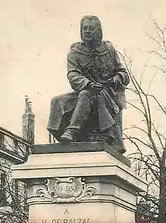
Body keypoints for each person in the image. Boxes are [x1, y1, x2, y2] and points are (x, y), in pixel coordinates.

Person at [48, 16, 130, 153]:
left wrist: (116, 78)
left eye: (91, 29)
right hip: (83, 91)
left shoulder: (109, 50)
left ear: (98, 31)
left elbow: (123, 73)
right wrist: (87, 83)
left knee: (86, 95)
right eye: (84, 28)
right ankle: (70, 133)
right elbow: (72, 74)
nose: (87, 31)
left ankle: (71, 131)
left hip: (106, 96)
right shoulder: (75, 52)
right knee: (58, 101)